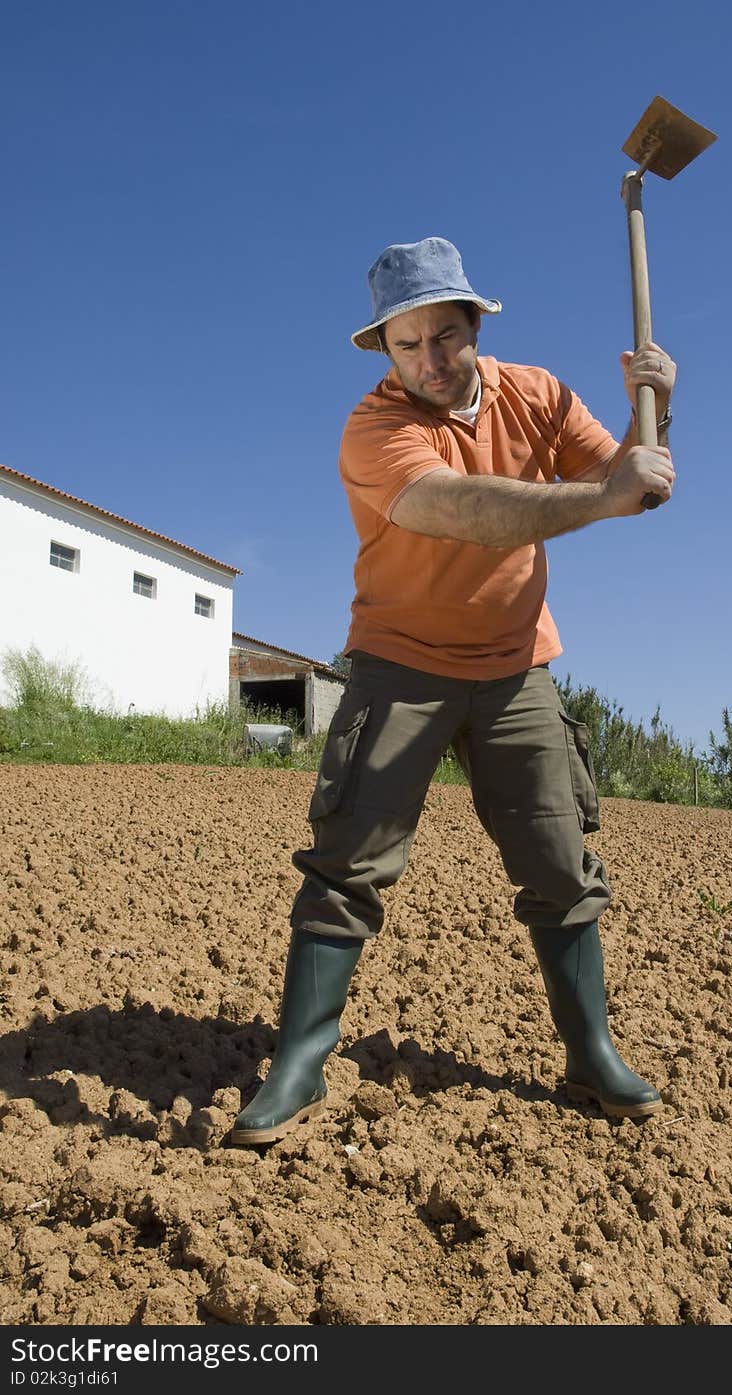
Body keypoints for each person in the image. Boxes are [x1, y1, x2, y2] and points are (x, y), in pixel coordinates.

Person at [230, 235, 676, 1147]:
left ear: (477, 326)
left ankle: (591, 1053)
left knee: (562, 869)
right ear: (385, 350)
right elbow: (464, 510)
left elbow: (625, 482)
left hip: (516, 668)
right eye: (407, 343)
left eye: (444, 334)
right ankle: (300, 1063)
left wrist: (654, 414)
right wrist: (602, 494)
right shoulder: (375, 428)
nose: (429, 359)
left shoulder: (538, 392)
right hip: (401, 662)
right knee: (348, 863)